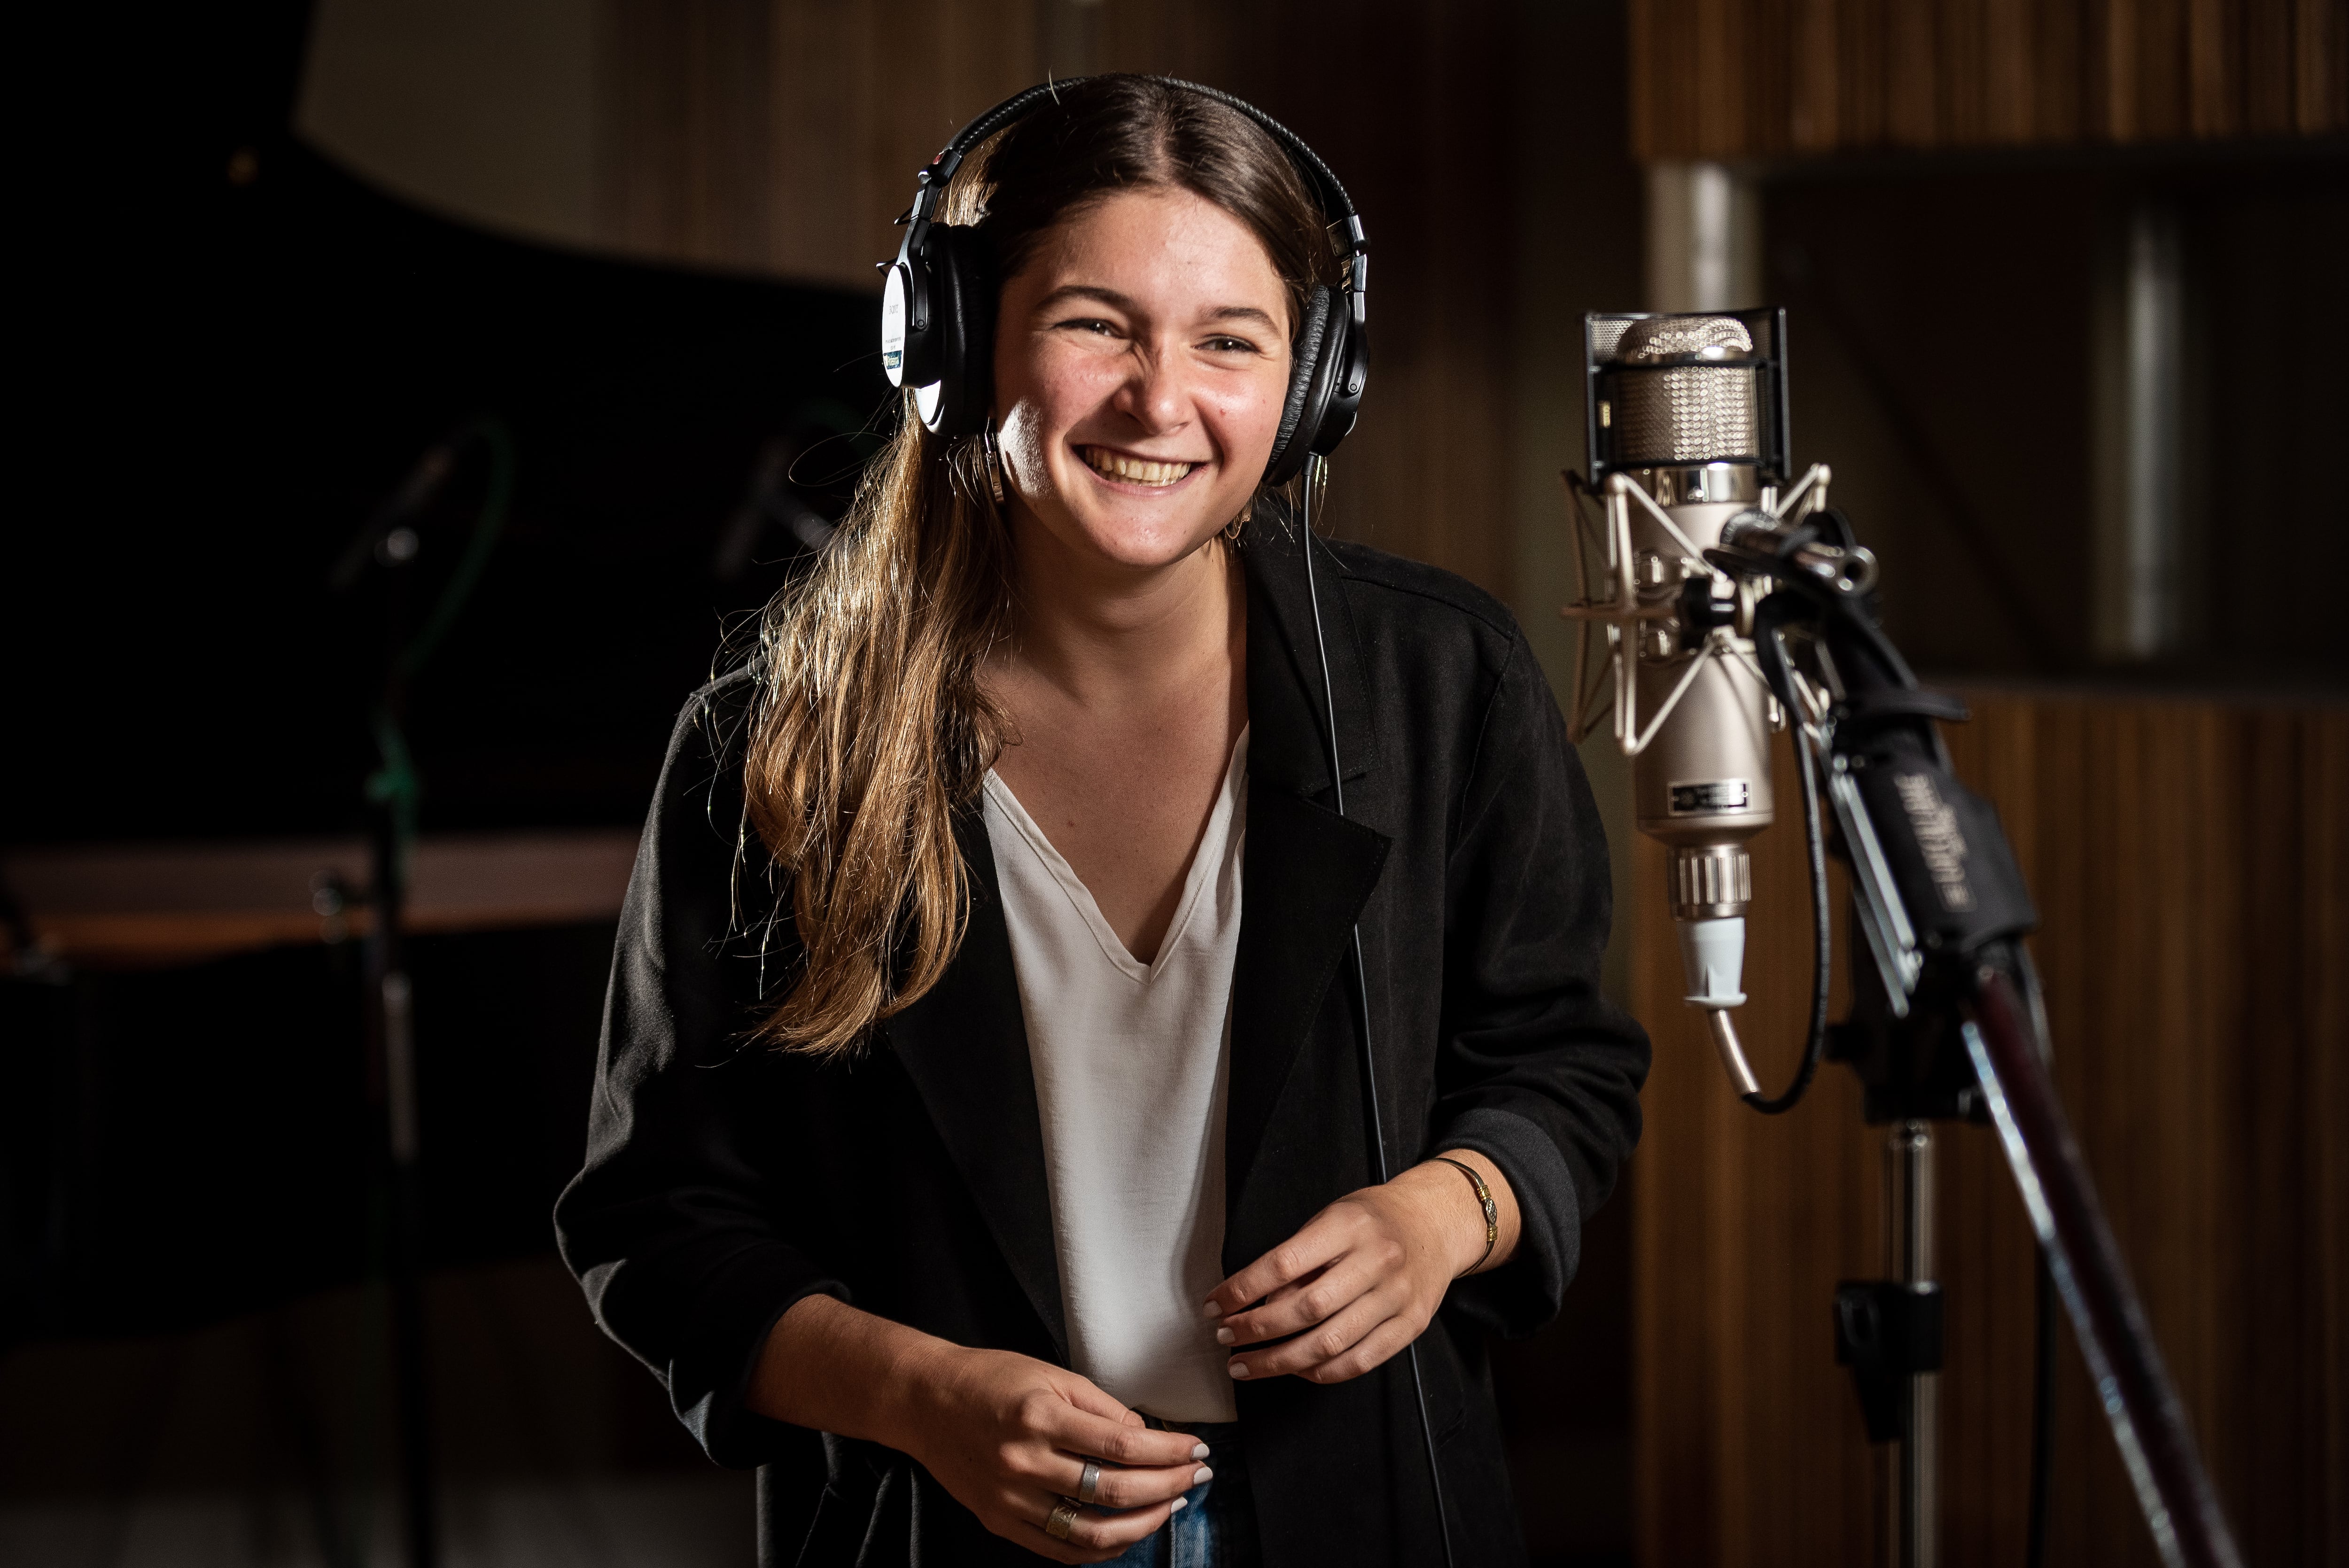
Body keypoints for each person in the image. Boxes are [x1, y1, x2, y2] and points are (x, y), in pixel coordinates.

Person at [555, 75, 1648, 1568]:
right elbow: (657, 1215)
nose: (1161, 399)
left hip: (1372, 1516)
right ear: (946, 342)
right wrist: (920, 1395)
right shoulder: (769, 745)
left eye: (1230, 341)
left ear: (1312, 384)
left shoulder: (1442, 680)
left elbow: (1563, 1064)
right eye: (1095, 325)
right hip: (942, 1529)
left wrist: (1448, 1213)